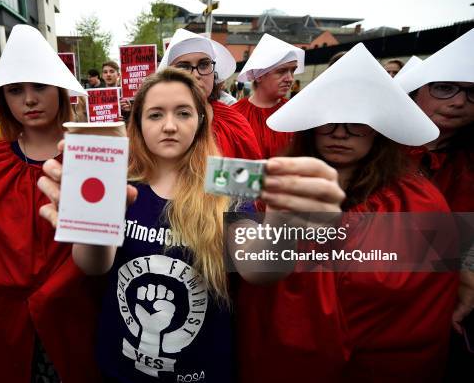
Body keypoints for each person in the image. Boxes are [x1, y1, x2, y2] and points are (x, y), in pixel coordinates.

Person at [36, 67, 345, 382]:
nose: (169, 126)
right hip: (121, 367)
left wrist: (281, 220)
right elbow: (93, 266)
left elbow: (258, 271)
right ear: (138, 124)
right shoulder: (117, 178)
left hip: (203, 370)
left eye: (183, 113)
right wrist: (89, 227)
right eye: (155, 115)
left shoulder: (230, 177)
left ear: (201, 121)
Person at [238, 43, 459, 382]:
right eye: (328, 123)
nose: (340, 133)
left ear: (379, 130)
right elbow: (248, 265)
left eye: (357, 124)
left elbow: (426, 301)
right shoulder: (277, 181)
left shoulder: (416, 200)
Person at [0, 24, 100, 383]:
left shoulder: (92, 155)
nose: (29, 99)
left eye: (39, 87)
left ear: (59, 91)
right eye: (15, 90)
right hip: (9, 318)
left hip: (77, 310)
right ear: (4, 100)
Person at [396, 28, 474, 381]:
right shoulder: (371, 144)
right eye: (445, 88)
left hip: (441, 309)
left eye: (472, 94)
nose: (459, 101)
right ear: (416, 93)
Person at [158, 28, 262, 159]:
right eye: (184, 67)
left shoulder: (233, 122)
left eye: (204, 65)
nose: (195, 74)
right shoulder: (152, 121)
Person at [232, 33, 305, 158]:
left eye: (292, 71)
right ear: (260, 75)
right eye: (281, 71)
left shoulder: (295, 113)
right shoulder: (235, 114)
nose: (290, 78)